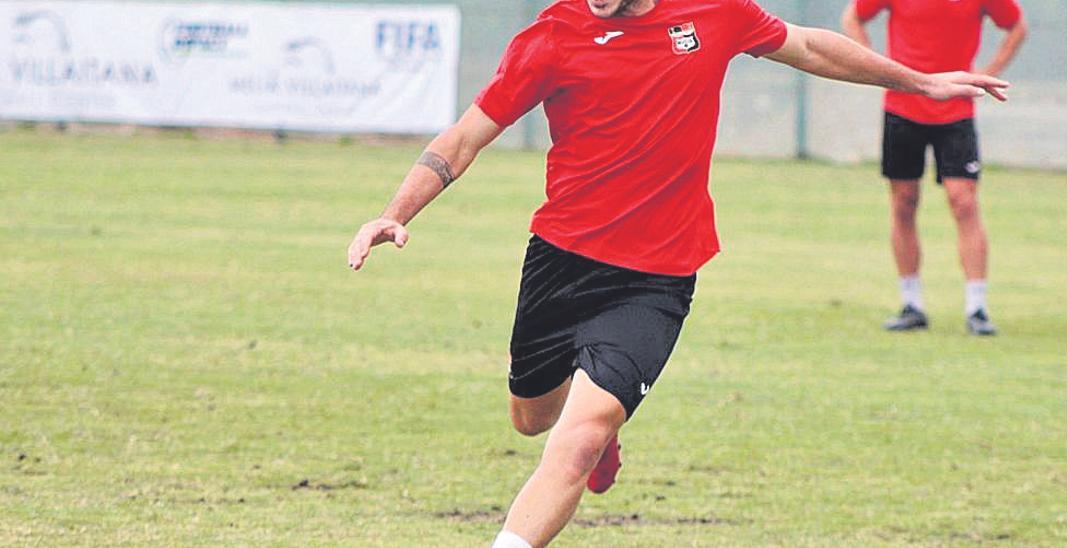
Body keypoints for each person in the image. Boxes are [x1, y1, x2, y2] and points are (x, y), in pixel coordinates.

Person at [346, 0, 1008, 545]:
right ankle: (598, 431)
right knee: (530, 417)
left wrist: (920, 81)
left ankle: (584, 447)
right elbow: (463, 138)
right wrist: (393, 211)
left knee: (573, 446)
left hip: (656, 279)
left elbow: (809, 47)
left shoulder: (715, 13)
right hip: (561, 261)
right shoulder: (551, 38)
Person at [842, 0, 1027, 336]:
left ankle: (977, 308)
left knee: (964, 200)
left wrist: (989, 73)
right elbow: (853, 17)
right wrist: (875, 67)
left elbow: (1017, 26)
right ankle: (911, 304)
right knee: (904, 202)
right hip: (902, 106)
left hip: (956, 109)